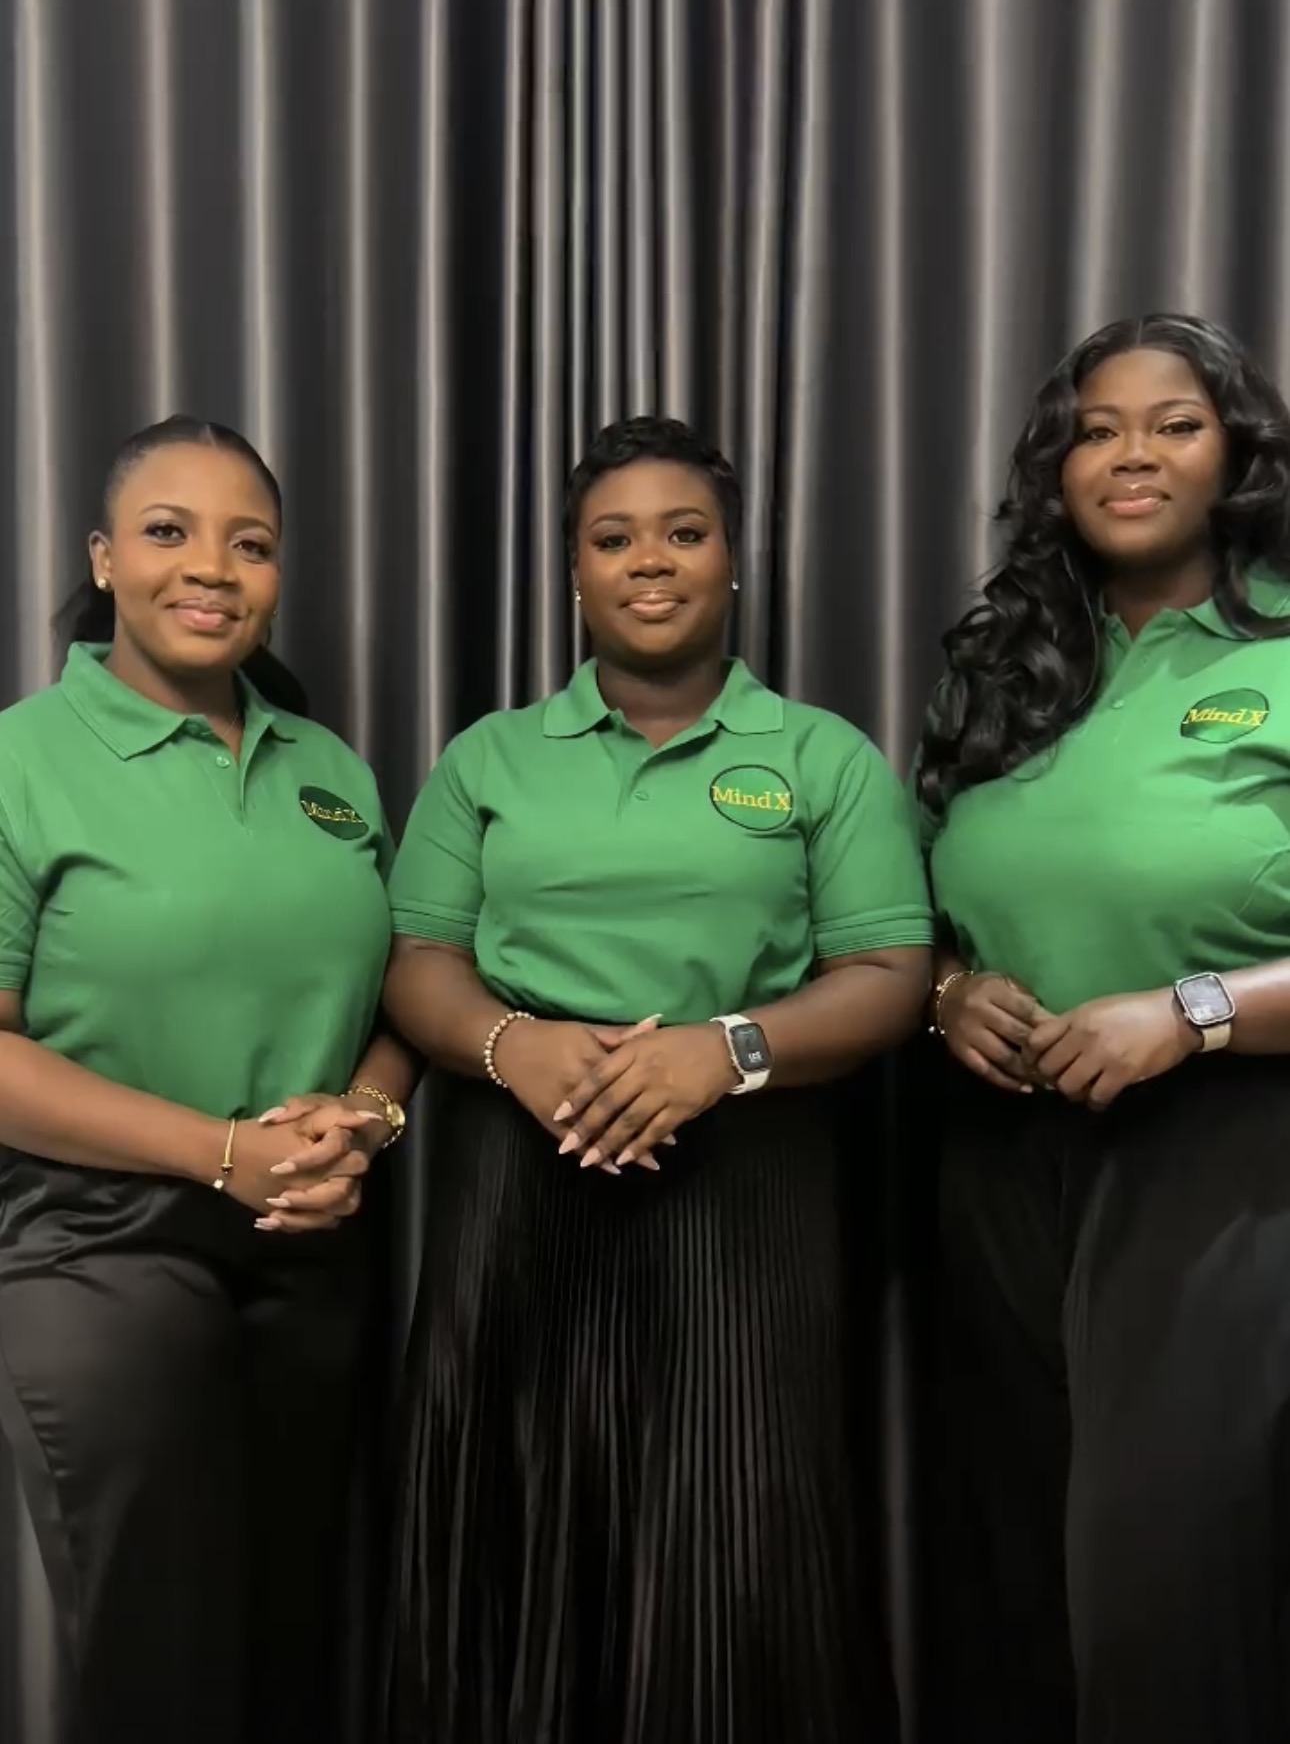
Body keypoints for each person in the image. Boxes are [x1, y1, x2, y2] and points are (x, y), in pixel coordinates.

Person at [379, 413, 933, 1744]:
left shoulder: (818, 754)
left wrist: (722, 1050)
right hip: (518, 1172)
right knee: (512, 1522)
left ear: (733, 560)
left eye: (684, 533)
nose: (649, 562)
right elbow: (416, 964)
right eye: (612, 538)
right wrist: (515, 1047)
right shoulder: (490, 756)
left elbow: (890, 974)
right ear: (572, 571)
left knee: (737, 1530)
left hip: (747, 1176)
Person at [0, 415, 417, 1744]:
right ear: (102, 557)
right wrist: (219, 1152)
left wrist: (364, 1119)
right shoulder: (20, 761)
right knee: (163, 1648)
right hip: (97, 1239)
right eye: (169, 532)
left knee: (296, 1636)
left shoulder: (330, 771)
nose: (212, 570)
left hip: (311, 1236)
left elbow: (399, 1004)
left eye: (251, 544)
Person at [917, 313, 1290, 1744]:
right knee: (1013, 1567)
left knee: (1162, 1586)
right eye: (1096, 430)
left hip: (1224, 1157)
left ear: (1236, 456)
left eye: (1174, 425)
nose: (1131, 455)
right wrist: (950, 993)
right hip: (1001, 1158)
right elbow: (924, 912)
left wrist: (1192, 1013)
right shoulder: (1002, 666)